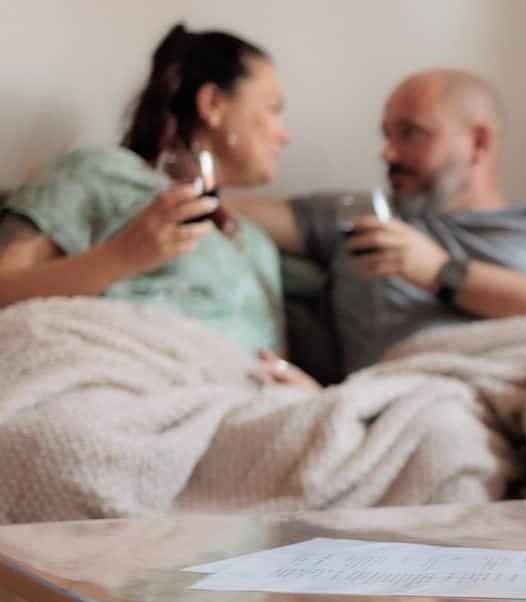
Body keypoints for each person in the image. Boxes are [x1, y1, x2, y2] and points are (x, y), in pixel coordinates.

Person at [232, 69, 526, 382]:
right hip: (409, 402)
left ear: (479, 141)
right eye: (387, 136)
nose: (388, 154)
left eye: (411, 134)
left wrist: (439, 271)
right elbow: (223, 207)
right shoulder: (356, 215)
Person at [0, 23, 316, 389]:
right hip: (122, 383)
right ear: (213, 104)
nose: (285, 135)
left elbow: (276, 367)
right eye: (274, 109)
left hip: (240, 405)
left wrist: (308, 393)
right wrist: (122, 256)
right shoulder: (97, 172)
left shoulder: (259, 247)